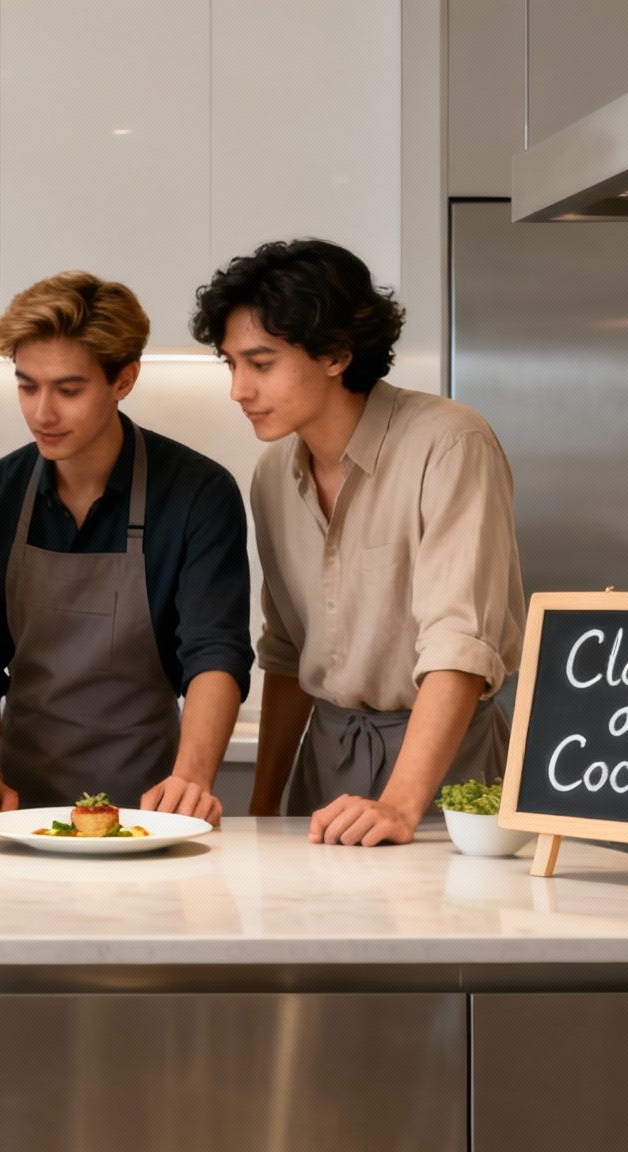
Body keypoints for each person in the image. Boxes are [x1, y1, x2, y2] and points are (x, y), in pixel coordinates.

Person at [189, 238, 525, 846]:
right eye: (230, 364)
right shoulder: (273, 476)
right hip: (325, 770)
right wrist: (266, 802)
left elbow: (460, 648)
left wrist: (398, 805)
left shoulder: (450, 444)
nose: (238, 389)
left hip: (450, 774)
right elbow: (288, 655)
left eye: (260, 364)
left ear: (336, 355)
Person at [0, 272, 252, 823]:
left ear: (124, 380)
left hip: (152, 809)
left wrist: (192, 777)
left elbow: (214, 653)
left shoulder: (197, 494)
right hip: (17, 812)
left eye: (68, 390)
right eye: (27, 385)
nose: (42, 412)